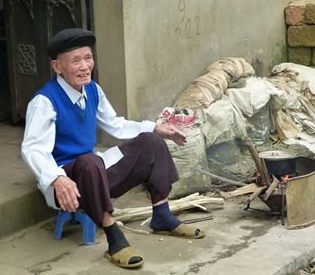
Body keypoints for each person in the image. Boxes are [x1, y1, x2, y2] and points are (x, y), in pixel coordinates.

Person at [20, 28, 204, 269]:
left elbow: (116, 125)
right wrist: (56, 179)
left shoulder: (92, 90)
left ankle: (162, 215)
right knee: (90, 161)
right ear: (57, 67)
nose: (85, 66)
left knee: (151, 141)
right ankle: (113, 235)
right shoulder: (44, 101)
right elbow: (32, 148)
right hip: (66, 185)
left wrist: (155, 128)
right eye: (76, 61)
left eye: (88, 58)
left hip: (93, 172)